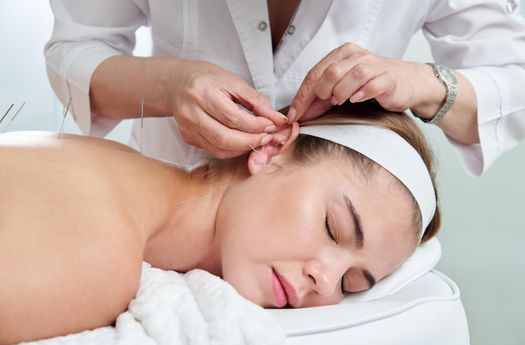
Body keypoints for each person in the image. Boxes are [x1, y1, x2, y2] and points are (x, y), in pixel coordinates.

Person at [0, 102, 439, 345]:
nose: (325, 282)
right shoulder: (99, 253)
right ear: (272, 147)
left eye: (351, 285)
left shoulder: (117, 172)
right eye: (333, 227)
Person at [45, 0, 525, 176]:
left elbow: (515, 80)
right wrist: (171, 84)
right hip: (158, 188)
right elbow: (76, 50)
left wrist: (425, 83)